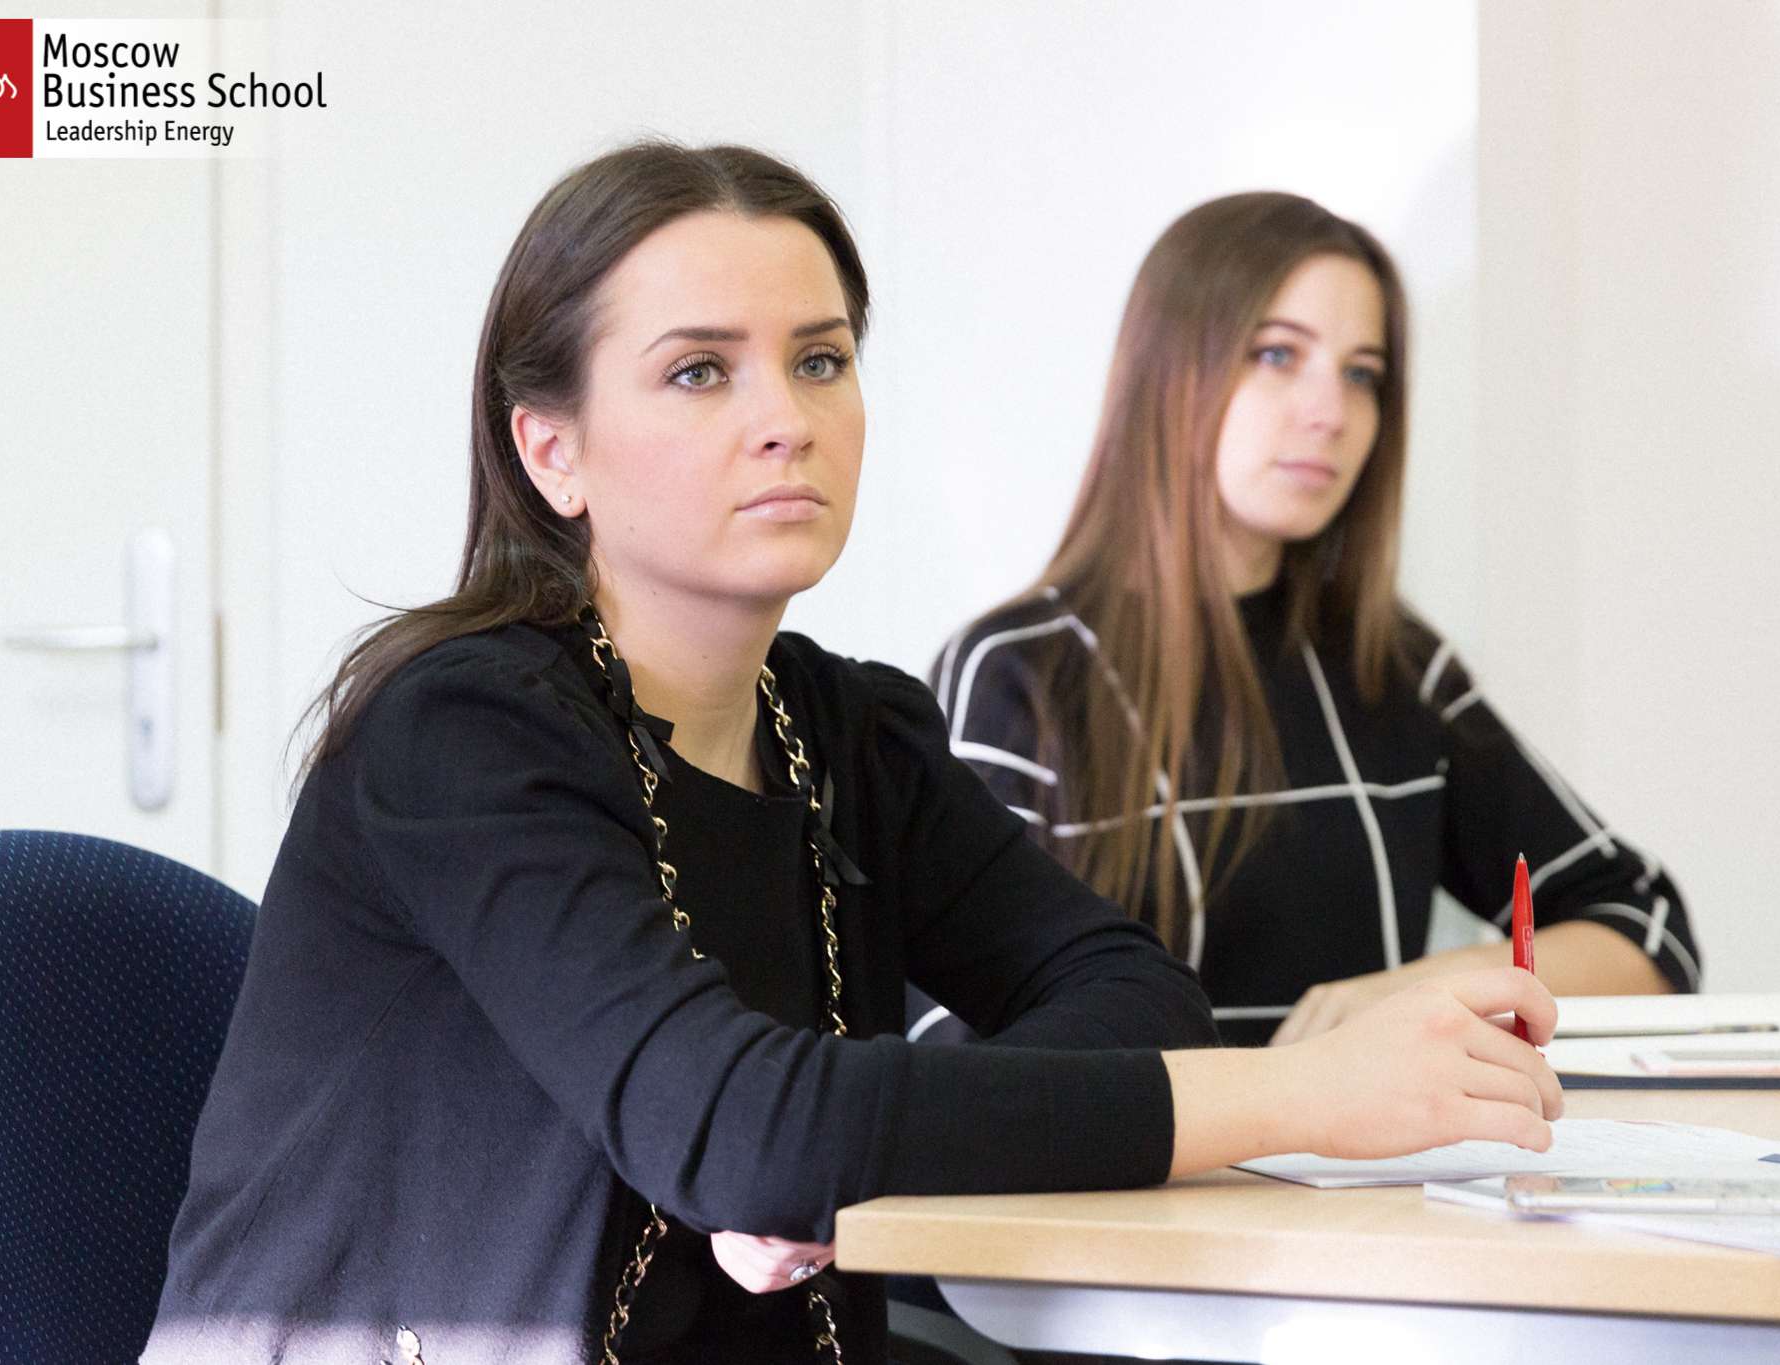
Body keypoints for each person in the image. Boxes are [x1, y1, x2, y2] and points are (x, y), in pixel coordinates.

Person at [142, 146, 1563, 1365]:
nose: (787, 418)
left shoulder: (843, 729)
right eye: (700, 371)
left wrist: (836, 1143)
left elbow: (1134, 994)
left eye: (820, 360)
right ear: (551, 452)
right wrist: (1306, 1095)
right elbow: (747, 1133)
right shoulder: (461, 734)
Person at [928, 192, 1698, 1053]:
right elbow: (953, 1057)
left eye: (1362, 374)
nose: (1331, 412)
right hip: (1136, 1150)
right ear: (1169, 369)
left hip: (1369, 1154)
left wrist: (1422, 991)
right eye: (1277, 354)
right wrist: (1275, 1098)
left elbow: (1647, 931)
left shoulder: (1393, 668)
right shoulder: (1015, 676)